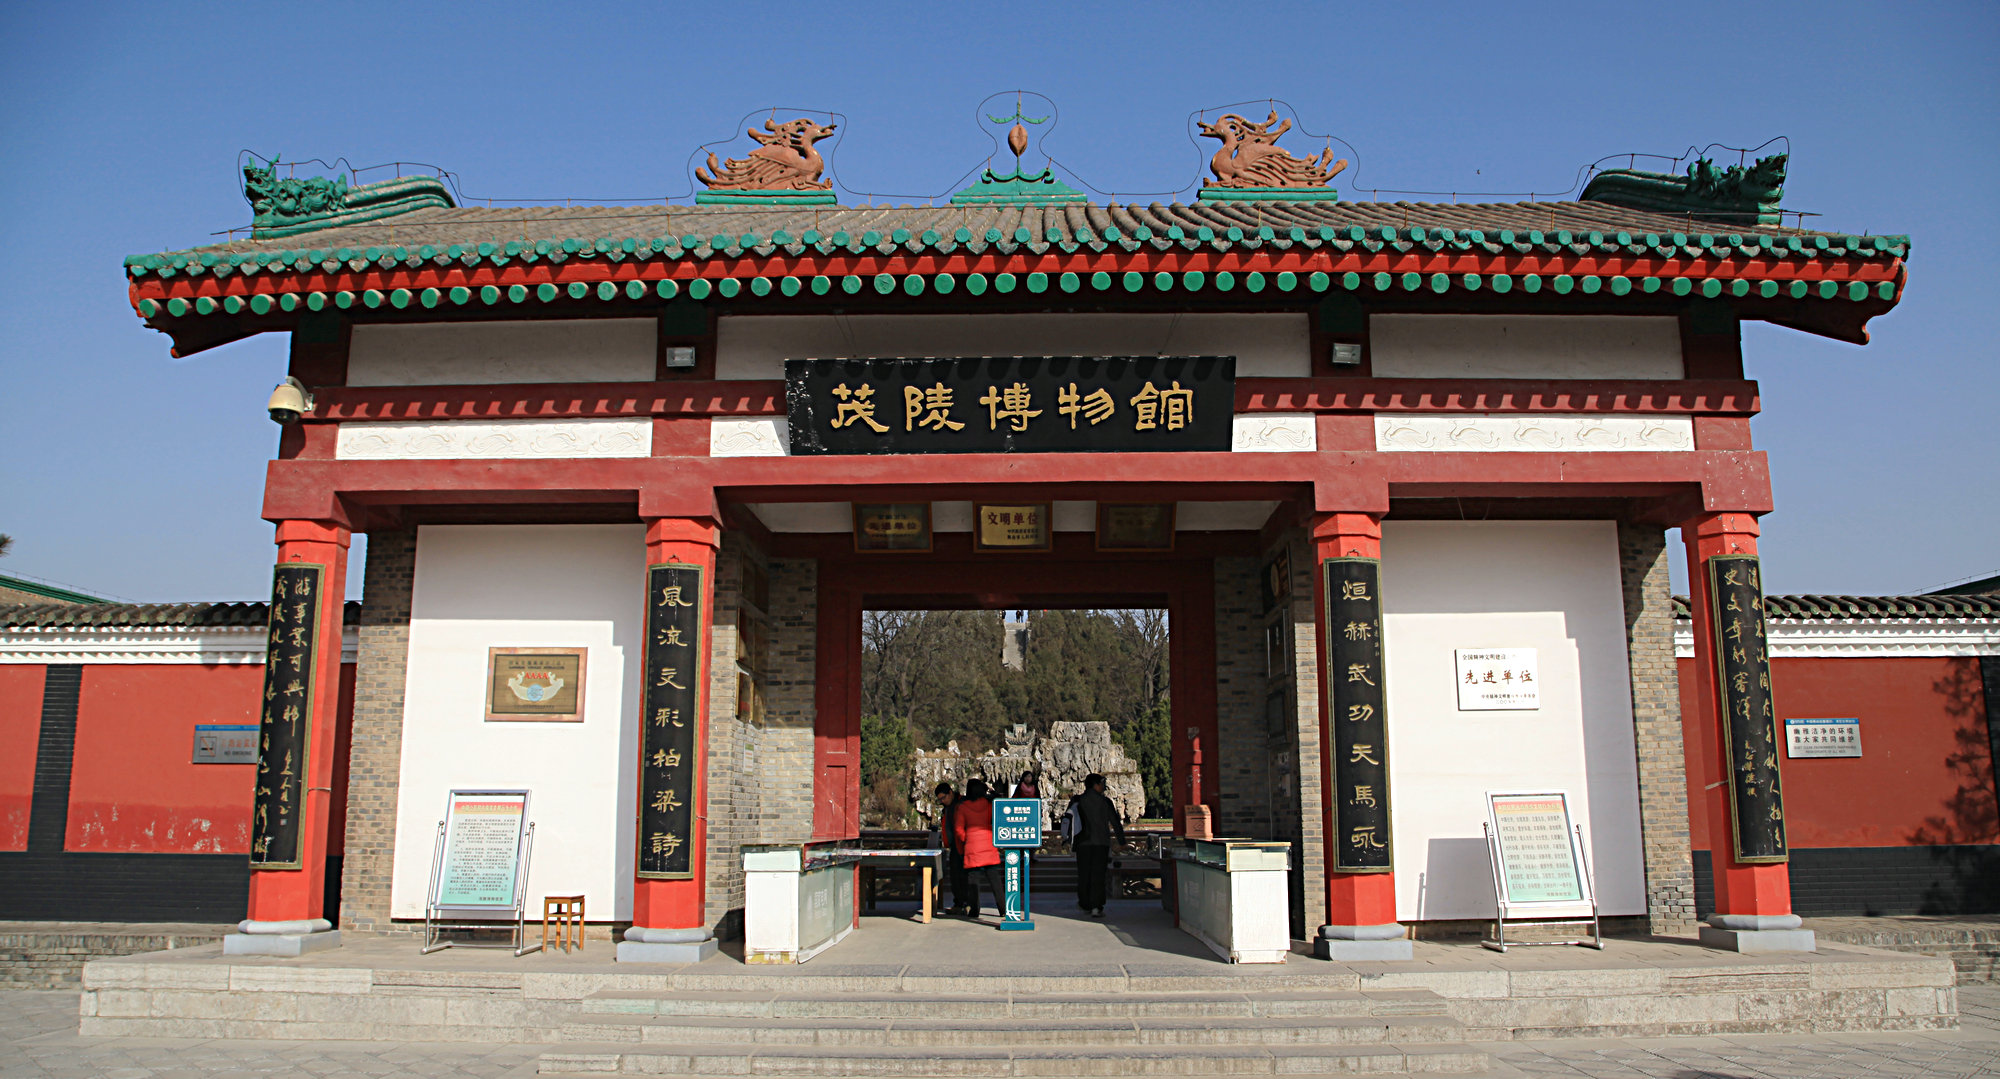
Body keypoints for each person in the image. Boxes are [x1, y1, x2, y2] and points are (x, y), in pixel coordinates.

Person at [1068, 773, 1125, 918]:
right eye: (1102, 783)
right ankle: (1096, 906)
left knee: (1084, 874)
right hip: (1101, 842)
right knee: (1098, 875)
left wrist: (1068, 840)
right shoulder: (1105, 802)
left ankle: (1084, 903)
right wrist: (1122, 841)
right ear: (1096, 785)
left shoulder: (1077, 800)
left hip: (1082, 844)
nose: (1104, 786)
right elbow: (1115, 822)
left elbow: (1069, 821)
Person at [951, 778, 1004, 919]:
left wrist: (966, 839)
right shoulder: (988, 805)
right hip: (989, 845)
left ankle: (974, 910)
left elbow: (958, 829)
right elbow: (996, 821)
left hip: (972, 847)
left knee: (973, 881)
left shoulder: (963, 807)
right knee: (995, 881)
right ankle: (1003, 909)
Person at [932, 781, 963, 915]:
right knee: (955, 876)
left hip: (963, 844)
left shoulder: (961, 804)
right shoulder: (947, 808)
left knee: (964, 876)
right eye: (940, 800)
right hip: (953, 845)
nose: (943, 801)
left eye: (944, 798)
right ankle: (958, 903)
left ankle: (966, 904)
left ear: (950, 792)